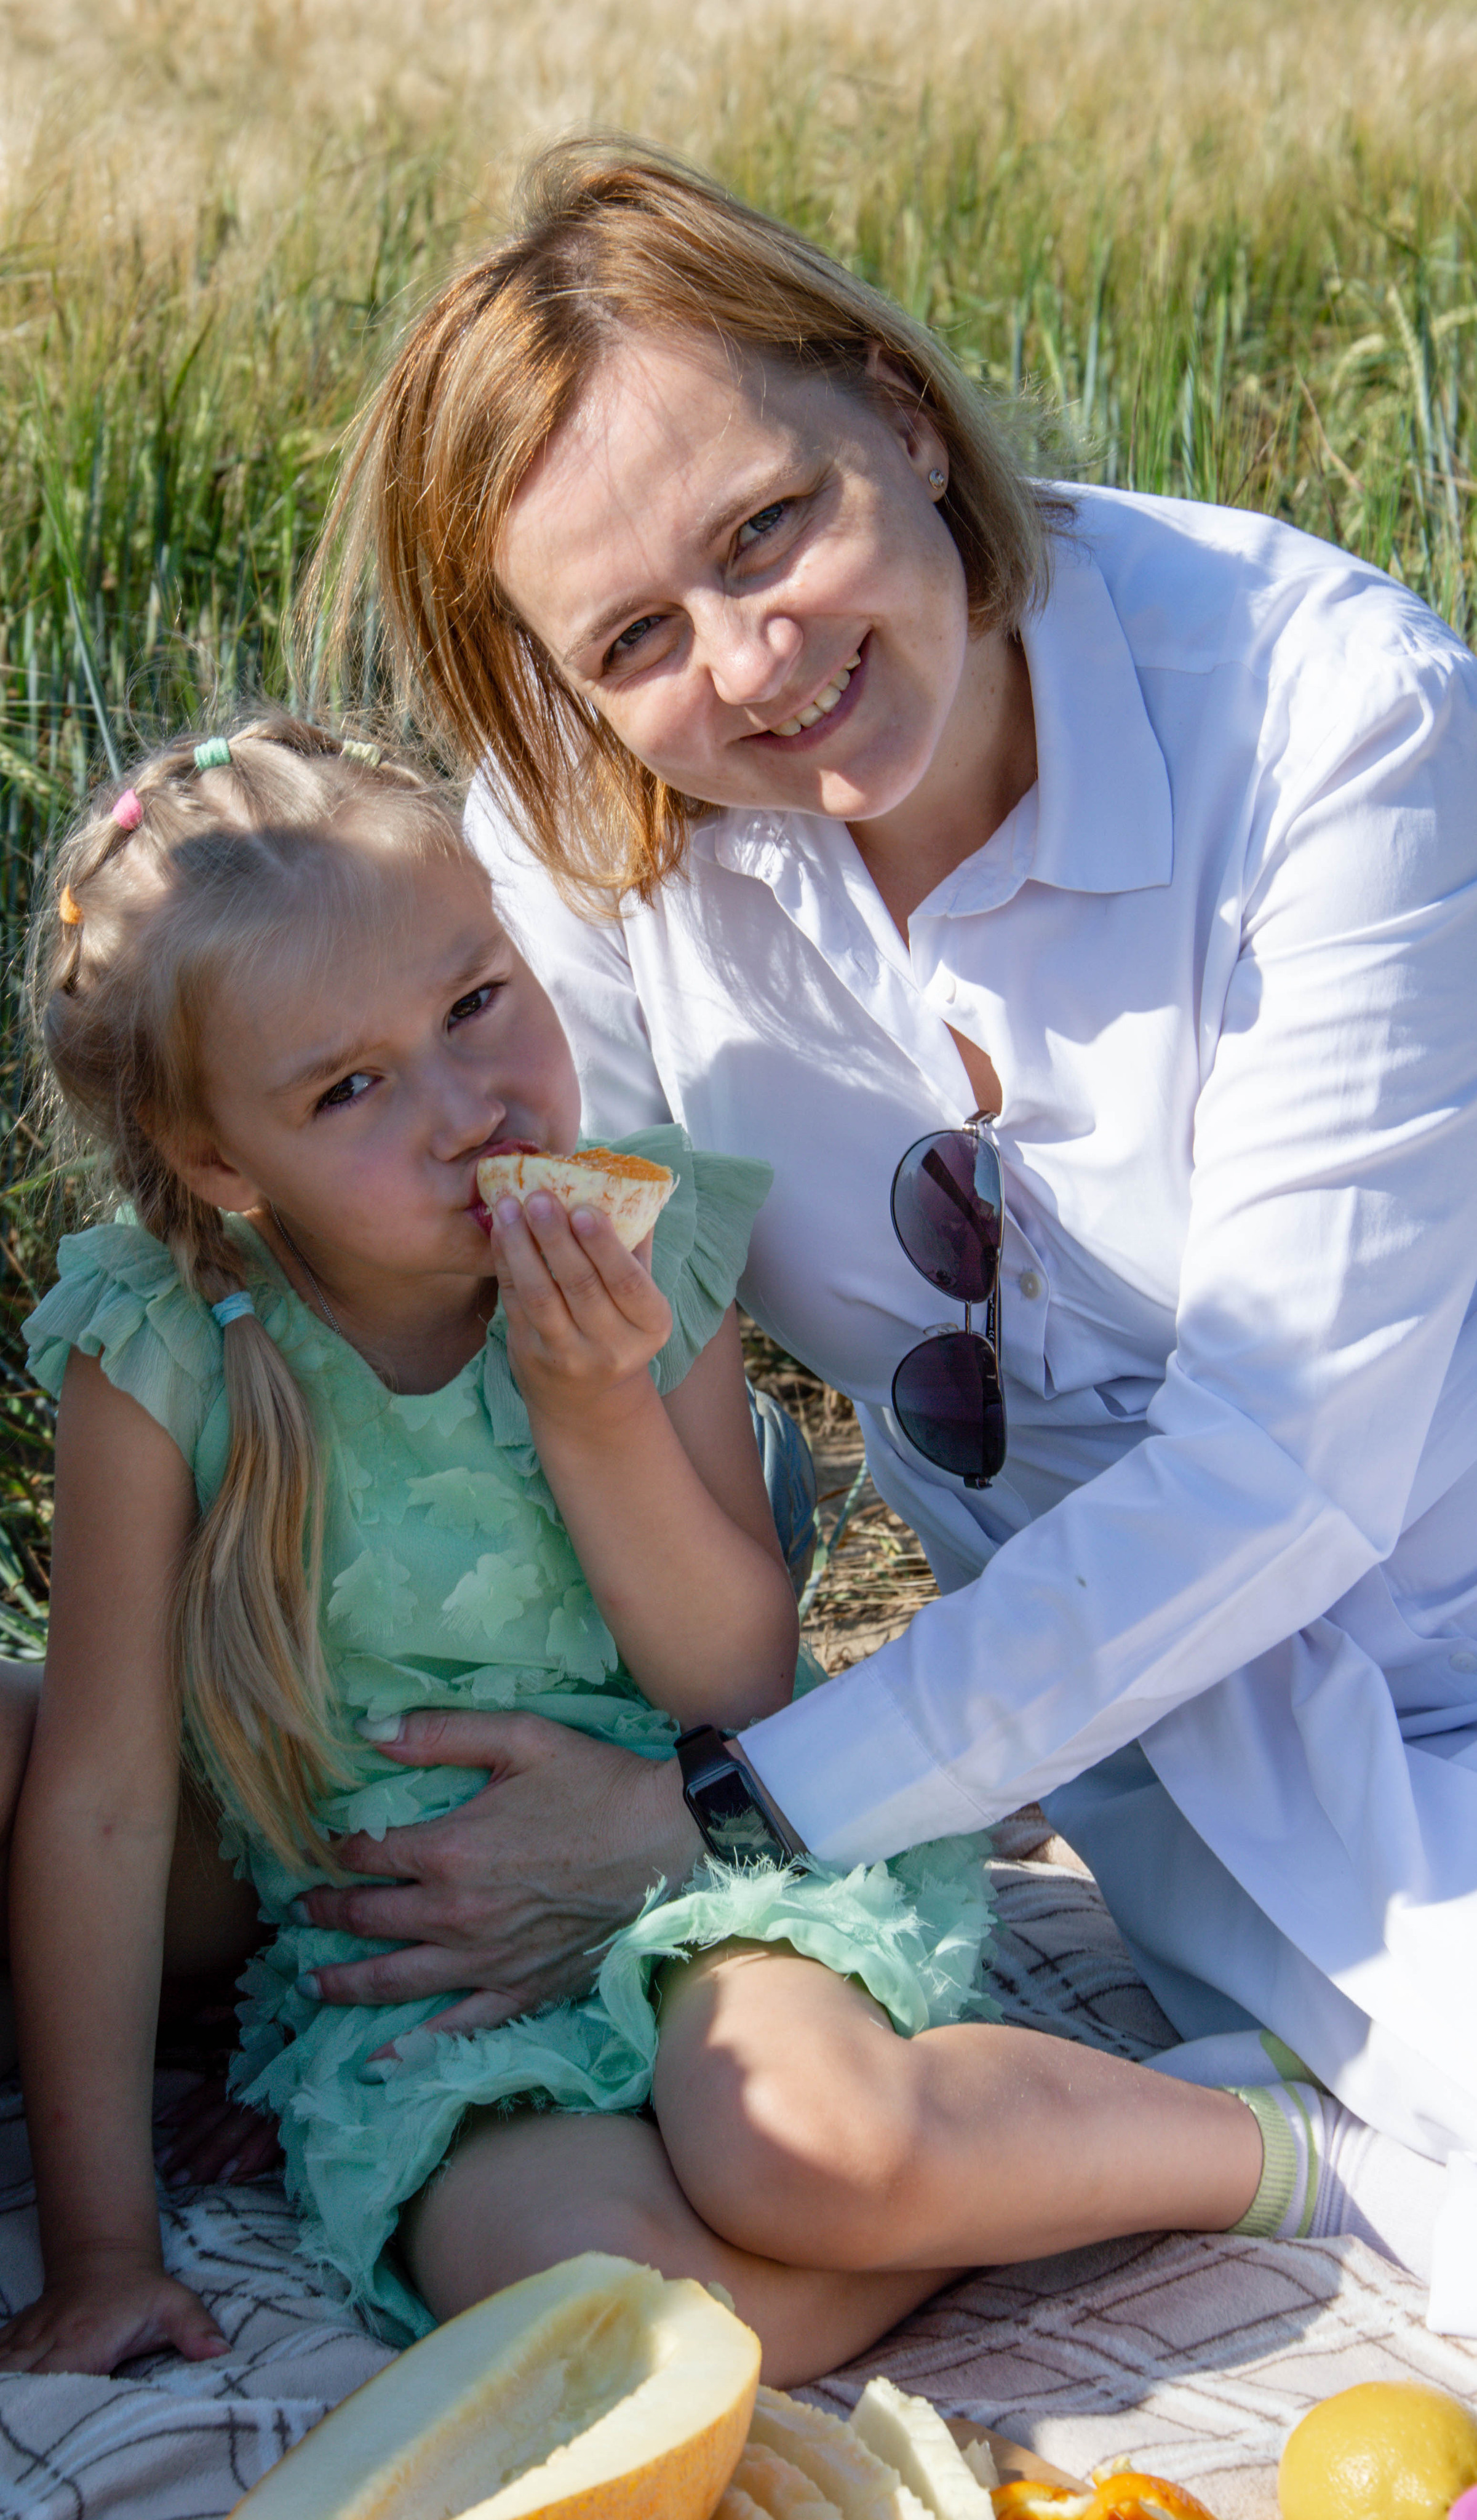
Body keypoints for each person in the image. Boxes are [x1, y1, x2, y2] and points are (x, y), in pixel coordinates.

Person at [297, 138, 1477, 2289]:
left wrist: (743, 1807)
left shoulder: (1333, 723)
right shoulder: (579, 858)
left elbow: (1287, 1469)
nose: (751, 664)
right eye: (635, 635)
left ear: (901, 412)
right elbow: (615, 1384)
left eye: (771, 525)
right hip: (1123, 1766)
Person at [0, 712, 1284, 2385]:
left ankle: (1268, 2150)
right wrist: (104, 2248)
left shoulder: (637, 1232)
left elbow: (732, 1675)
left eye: (475, 1001)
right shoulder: (162, 1349)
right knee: (635, 2314)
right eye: (351, 1087)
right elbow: (99, 1803)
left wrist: (592, 1404)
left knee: (803, 2152)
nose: (470, 1106)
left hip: (713, 1870)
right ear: (220, 1159)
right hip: (424, 2000)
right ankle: (984, 2193)